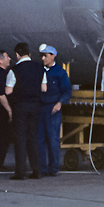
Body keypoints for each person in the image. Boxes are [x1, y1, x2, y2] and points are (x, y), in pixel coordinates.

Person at [9, 42, 45, 181]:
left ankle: (21, 172)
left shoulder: (14, 70)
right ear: (29, 54)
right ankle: (37, 170)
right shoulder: (40, 68)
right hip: (35, 106)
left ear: (17, 55)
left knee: (20, 139)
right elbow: (44, 88)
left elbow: (8, 90)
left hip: (20, 106)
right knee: (33, 138)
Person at [37, 44, 73, 176]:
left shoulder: (60, 72)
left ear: (53, 56)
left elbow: (67, 90)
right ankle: (42, 167)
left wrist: (59, 104)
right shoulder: (40, 71)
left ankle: (53, 168)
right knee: (39, 139)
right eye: (42, 56)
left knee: (53, 139)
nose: (43, 59)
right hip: (40, 107)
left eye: (45, 56)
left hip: (53, 108)